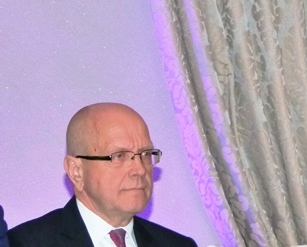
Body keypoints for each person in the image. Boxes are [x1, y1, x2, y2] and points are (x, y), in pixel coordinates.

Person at [8, 102, 197, 247]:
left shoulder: (178, 244)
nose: (140, 170)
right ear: (76, 171)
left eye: (146, 154)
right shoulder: (23, 243)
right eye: (119, 156)